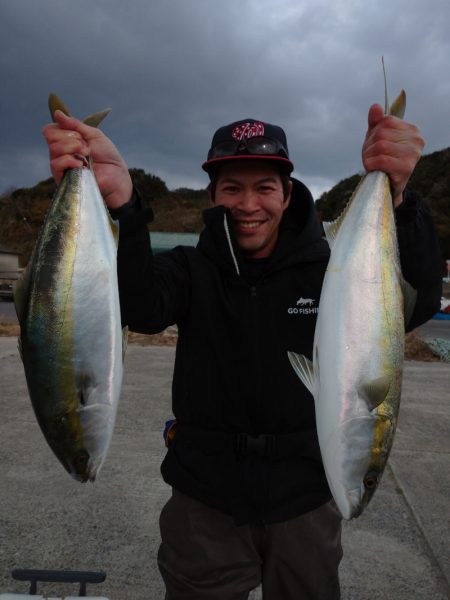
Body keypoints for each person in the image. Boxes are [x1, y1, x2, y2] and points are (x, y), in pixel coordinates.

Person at [43, 105, 442, 600]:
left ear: (288, 194)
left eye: (264, 187)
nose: (248, 204)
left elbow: (418, 300)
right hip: (206, 501)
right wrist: (124, 205)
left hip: (305, 502)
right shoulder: (191, 268)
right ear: (212, 196)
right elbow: (140, 306)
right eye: (232, 188)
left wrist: (399, 200)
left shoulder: (334, 273)